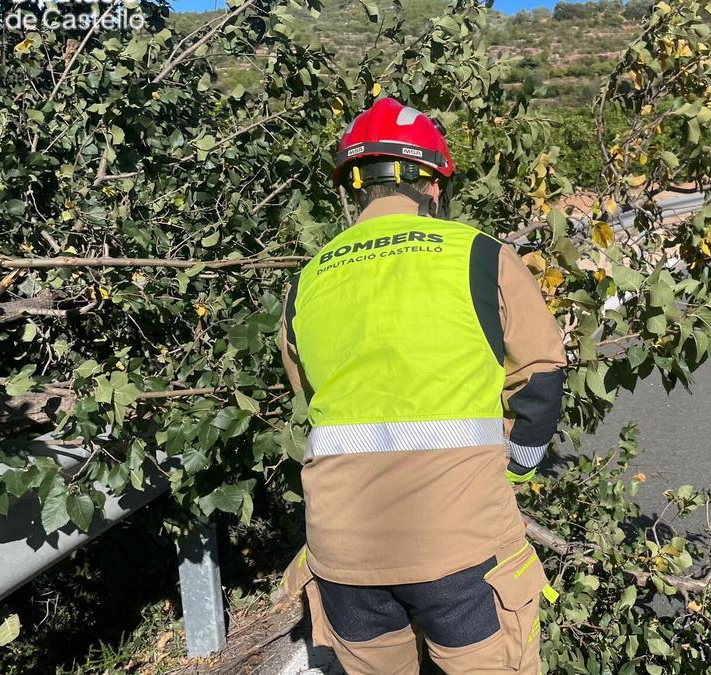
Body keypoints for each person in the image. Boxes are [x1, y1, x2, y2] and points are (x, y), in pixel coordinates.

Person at [279, 98, 566, 674]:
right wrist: (511, 469)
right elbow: (539, 380)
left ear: (357, 188)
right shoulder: (479, 256)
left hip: (344, 555)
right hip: (460, 546)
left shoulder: (307, 281)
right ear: (433, 186)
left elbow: (309, 397)